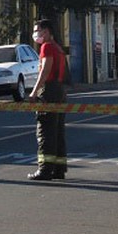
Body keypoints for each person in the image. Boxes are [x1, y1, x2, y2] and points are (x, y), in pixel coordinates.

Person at [27, 19, 68, 181]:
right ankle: (59, 169)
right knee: (58, 132)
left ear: (46, 31)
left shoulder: (47, 47)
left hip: (49, 91)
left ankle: (45, 170)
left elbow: (45, 70)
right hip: (59, 91)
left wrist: (34, 92)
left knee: (45, 132)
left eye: (37, 31)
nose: (35, 34)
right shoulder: (58, 48)